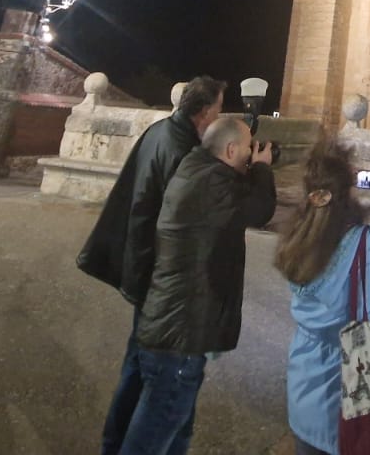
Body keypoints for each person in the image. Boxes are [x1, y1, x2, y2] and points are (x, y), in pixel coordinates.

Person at [79, 76, 227, 455]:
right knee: (164, 391)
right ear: (206, 111)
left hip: (145, 274)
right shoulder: (186, 154)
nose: (219, 116)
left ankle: (112, 445)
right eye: (219, 109)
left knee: (135, 372)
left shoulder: (159, 130)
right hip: (166, 286)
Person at [120, 114, 277, 455]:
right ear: (231, 149)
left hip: (175, 327)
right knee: (151, 436)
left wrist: (252, 168)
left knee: (174, 428)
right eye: (249, 148)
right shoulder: (213, 186)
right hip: (179, 335)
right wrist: (264, 169)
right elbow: (260, 208)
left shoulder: (197, 169)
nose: (253, 152)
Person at [278, 137, 370, 455]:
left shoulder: (297, 238)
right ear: (344, 194)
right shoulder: (366, 243)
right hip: (354, 393)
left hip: (305, 392)